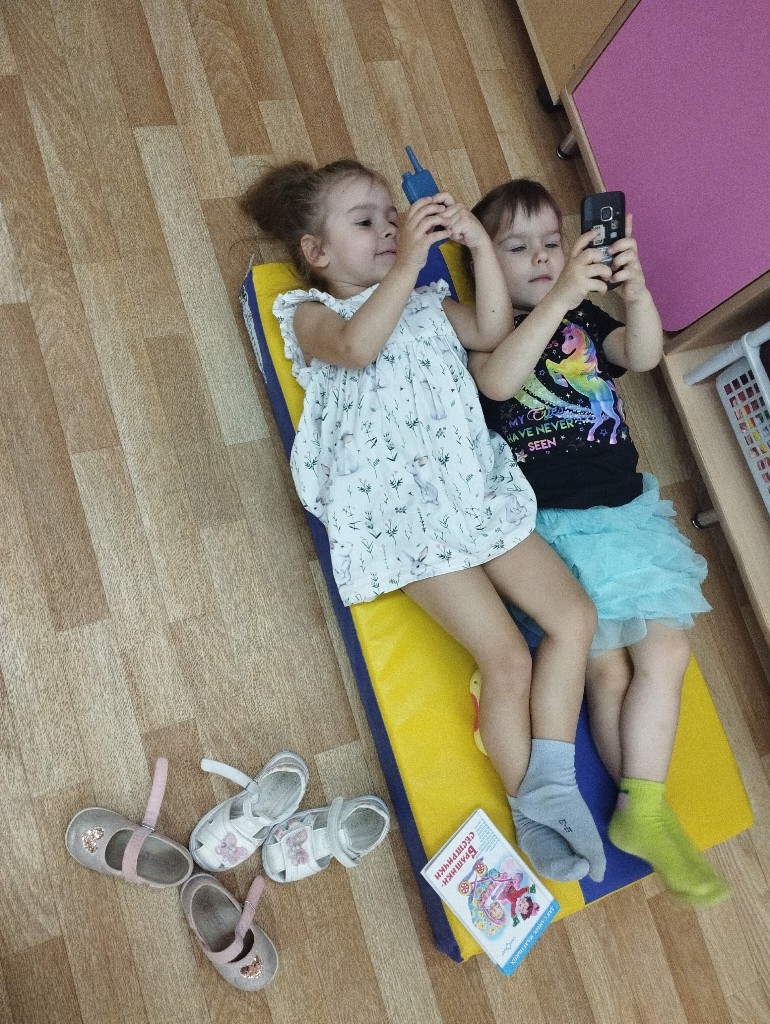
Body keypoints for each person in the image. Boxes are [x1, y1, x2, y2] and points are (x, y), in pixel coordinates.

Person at [241, 160, 604, 883]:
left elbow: (493, 331)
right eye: (365, 221)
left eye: (391, 216)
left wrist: (475, 246)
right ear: (317, 252)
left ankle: (553, 783)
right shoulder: (311, 314)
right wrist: (409, 261)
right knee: (508, 661)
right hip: (402, 518)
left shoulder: (428, 301)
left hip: (472, 489)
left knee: (575, 618)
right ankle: (531, 806)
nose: (388, 229)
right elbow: (356, 349)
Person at [467, 178, 729, 905]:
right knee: (607, 672)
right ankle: (642, 806)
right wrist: (554, 300)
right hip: (552, 526)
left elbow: (641, 355)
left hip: (624, 514)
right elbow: (498, 385)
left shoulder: (584, 312)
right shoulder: (487, 331)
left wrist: (635, 293)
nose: (541, 257)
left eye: (552, 242)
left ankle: (643, 804)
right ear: (484, 263)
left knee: (668, 652)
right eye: (517, 247)